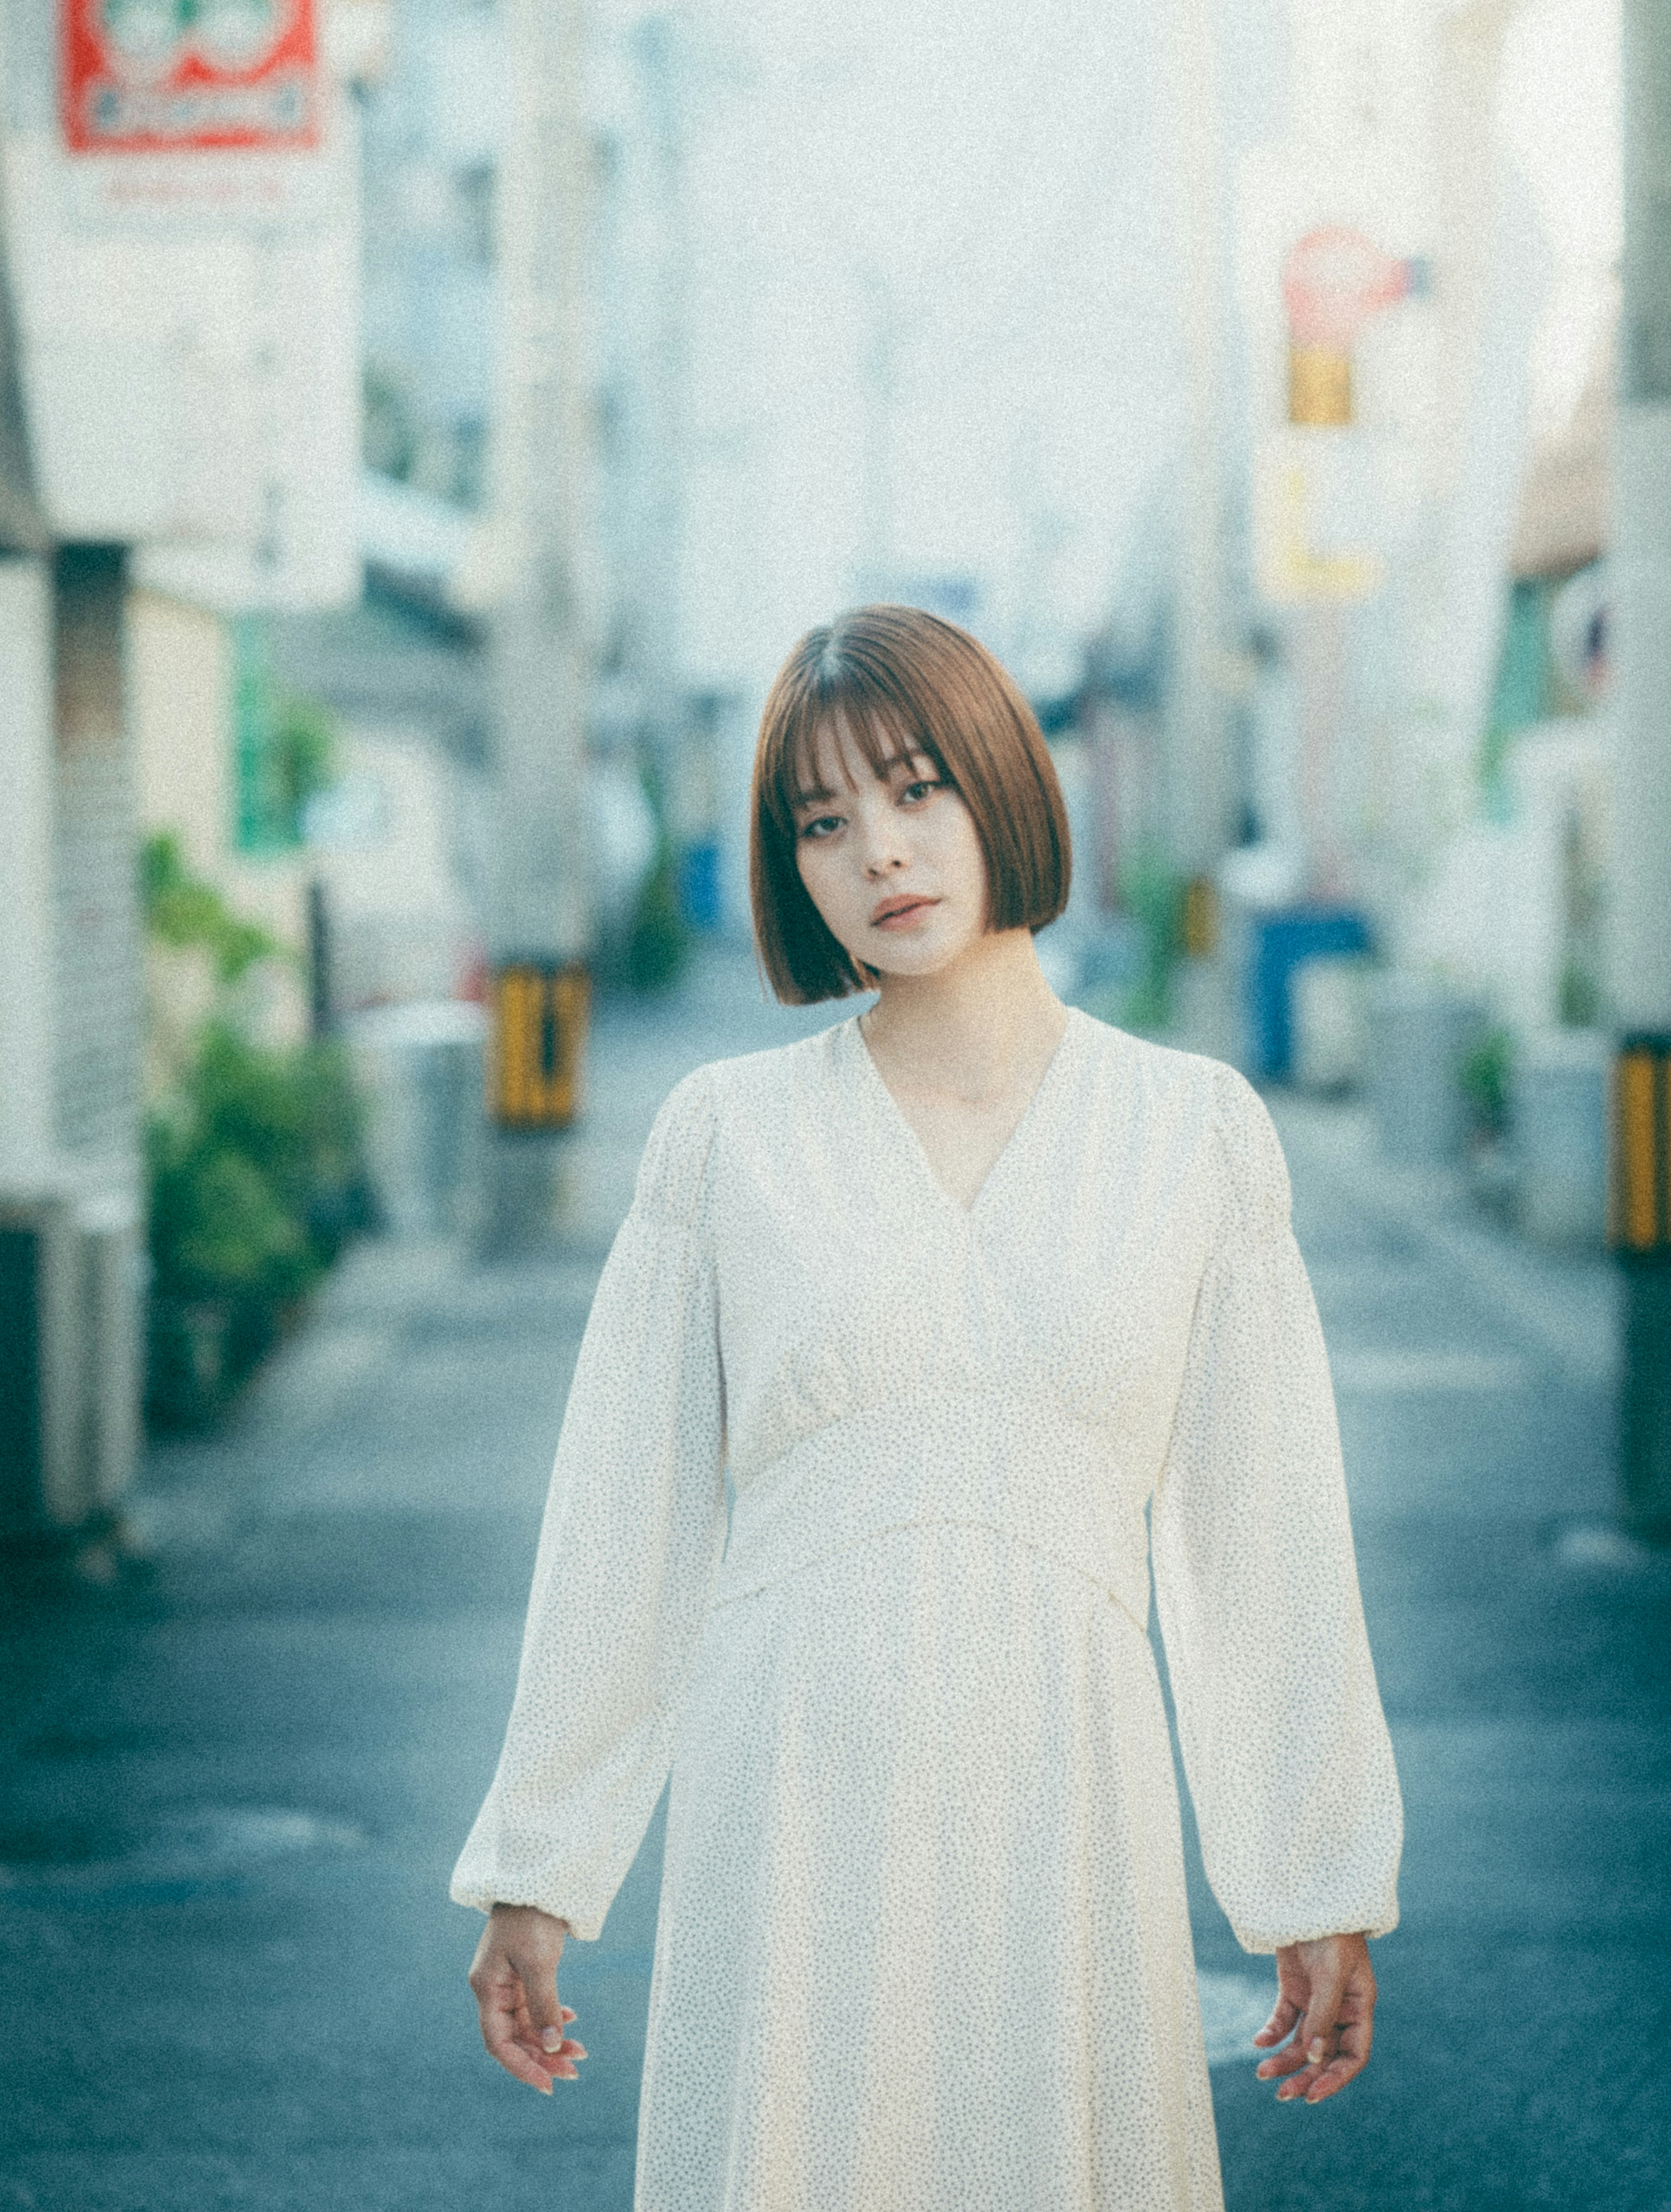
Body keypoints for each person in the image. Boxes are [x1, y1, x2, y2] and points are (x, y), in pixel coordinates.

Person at [454, 605, 1403, 2212]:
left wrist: (1312, 1871)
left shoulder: (1194, 1134)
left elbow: (1268, 1530)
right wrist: (539, 1864)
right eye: (824, 822)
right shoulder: (724, 1138)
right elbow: (626, 1518)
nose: (879, 851)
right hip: (796, 1799)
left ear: (1003, 789)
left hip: (1070, 1790)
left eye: (915, 789)